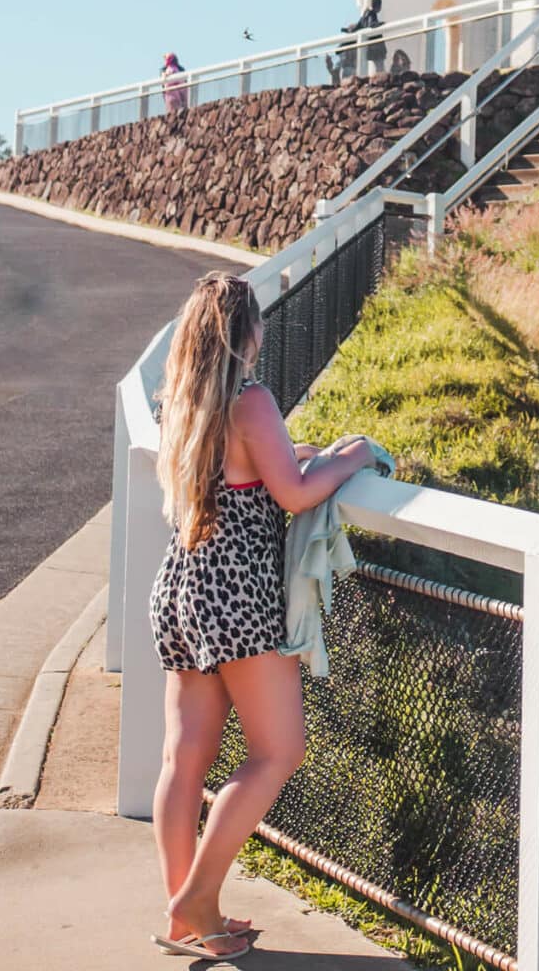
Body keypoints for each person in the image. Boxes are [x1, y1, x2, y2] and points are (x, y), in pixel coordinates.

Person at [148, 271, 374, 959]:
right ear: (246, 332)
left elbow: (248, 471)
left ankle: (191, 915)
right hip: (239, 595)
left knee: (184, 760)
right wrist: (354, 455)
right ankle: (197, 896)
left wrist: (299, 454)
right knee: (279, 752)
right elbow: (295, 493)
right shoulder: (250, 400)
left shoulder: (187, 404)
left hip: (184, 587)